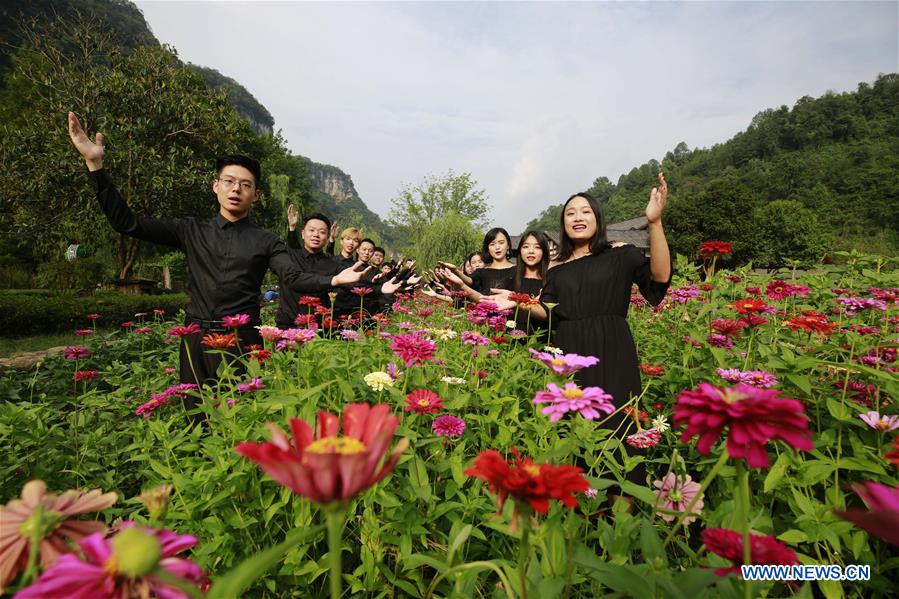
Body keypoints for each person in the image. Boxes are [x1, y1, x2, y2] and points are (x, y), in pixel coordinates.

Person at [66, 112, 369, 417]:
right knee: (196, 419)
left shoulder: (266, 241)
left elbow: (291, 274)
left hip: (243, 342)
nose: (236, 189)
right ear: (216, 186)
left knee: (241, 419)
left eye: (245, 185)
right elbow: (126, 223)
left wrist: (333, 281)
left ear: (256, 195)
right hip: (195, 340)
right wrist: (95, 165)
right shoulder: (190, 230)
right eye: (229, 182)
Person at [487, 173, 672, 484]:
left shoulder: (620, 252)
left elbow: (659, 278)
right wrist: (518, 300)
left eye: (585, 211)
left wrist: (654, 223)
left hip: (612, 347)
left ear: (598, 217)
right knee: (573, 428)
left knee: (618, 424)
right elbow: (549, 312)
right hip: (570, 351)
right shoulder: (557, 268)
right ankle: (582, 507)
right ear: (563, 223)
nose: (578, 217)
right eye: (570, 213)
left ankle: (621, 510)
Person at [436, 229, 515, 301]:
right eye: (492, 244)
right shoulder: (482, 271)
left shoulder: (518, 270)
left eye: (501, 243)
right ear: (488, 248)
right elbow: (470, 281)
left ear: (508, 245)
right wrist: (456, 271)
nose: (497, 247)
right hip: (485, 312)